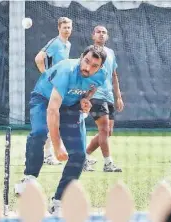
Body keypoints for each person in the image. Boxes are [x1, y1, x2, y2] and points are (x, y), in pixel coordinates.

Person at [14, 45, 107, 215]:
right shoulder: (67, 70)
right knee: (40, 132)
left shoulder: (102, 74)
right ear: (81, 57)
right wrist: (57, 146)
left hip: (71, 105)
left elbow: (92, 87)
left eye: (94, 66)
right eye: (86, 61)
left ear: (100, 68)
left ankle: (58, 202)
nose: (88, 67)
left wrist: (86, 98)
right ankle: (29, 179)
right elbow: (52, 110)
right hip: (44, 99)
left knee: (79, 155)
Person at [83, 25, 124, 172]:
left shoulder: (111, 53)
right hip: (95, 95)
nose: (101, 34)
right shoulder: (89, 52)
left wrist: (118, 97)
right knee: (104, 130)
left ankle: (84, 157)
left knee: (107, 132)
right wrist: (86, 95)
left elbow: (114, 75)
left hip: (109, 97)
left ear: (107, 36)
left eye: (104, 32)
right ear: (93, 35)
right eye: (98, 32)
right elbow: (83, 72)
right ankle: (108, 164)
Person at [35, 17, 72, 165]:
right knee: (51, 121)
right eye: (64, 27)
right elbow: (38, 58)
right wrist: (47, 76)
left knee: (58, 121)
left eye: (69, 27)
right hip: (51, 88)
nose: (67, 30)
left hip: (61, 87)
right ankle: (47, 155)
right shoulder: (55, 43)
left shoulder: (67, 44)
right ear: (59, 28)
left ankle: (51, 154)